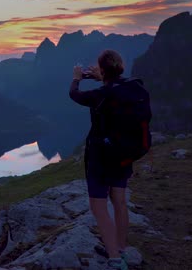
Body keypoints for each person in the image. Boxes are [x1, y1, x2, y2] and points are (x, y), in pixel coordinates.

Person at [69, 50, 139, 270]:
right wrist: (103, 77)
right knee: (119, 200)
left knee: (99, 207)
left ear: (103, 70)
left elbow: (75, 95)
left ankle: (115, 261)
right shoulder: (132, 87)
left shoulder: (100, 95)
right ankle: (121, 250)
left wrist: (77, 78)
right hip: (124, 153)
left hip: (101, 157)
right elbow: (113, 85)